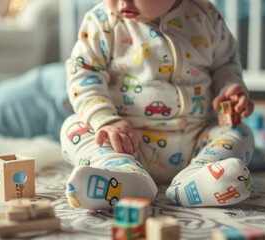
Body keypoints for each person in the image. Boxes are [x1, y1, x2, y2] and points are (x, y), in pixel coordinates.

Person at [60, 0, 254, 210]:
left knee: (239, 132)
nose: (123, 3)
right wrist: (105, 119)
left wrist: (231, 87)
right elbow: (84, 72)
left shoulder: (205, 16)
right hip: (125, 143)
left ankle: (197, 179)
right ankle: (125, 177)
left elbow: (226, 63)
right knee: (72, 127)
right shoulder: (101, 22)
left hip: (197, 139)